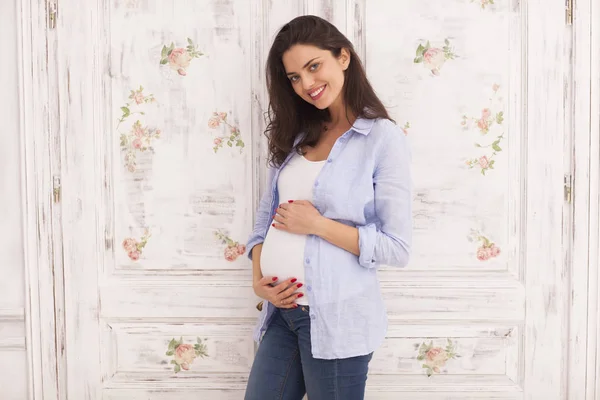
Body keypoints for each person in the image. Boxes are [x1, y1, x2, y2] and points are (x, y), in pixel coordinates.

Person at [243, 15, 412, 400]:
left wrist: (318, 225)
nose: (306, 84)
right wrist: (258, 279)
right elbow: (263, 223)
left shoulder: (382, 139)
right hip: (283, 314)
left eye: (313, 66)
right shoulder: (297, 135)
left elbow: (396, 247)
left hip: (338, 318)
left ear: (344, 58)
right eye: (294, 77)